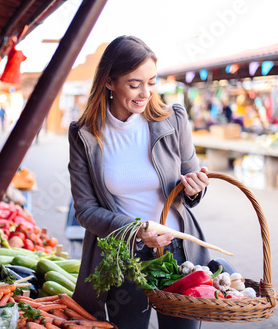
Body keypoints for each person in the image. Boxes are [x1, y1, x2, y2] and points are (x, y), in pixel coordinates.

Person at [68, 36, 210, 329]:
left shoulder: (173, 120)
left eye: (152, 82)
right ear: (110, 81)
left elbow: (193, 183)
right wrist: (136, 230)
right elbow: (85, 210)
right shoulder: (84, 135)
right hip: (124, 257)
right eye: (135, 84)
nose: (146, 93)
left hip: (177, 251)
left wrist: (196, 188)